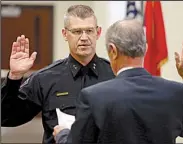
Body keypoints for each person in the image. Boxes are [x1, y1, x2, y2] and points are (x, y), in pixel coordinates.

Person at [53, 19, 183, 144]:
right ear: (145, 49)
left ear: (112, 51)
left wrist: (62, 134)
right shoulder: (174, 92)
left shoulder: (93, 97)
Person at [1, 5, 115, 143]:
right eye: (77, 31)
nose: (84, 37)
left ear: (98, 32)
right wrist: (14, 77)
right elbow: (6, 117)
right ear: (65, 34)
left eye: (89, 30)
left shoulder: (115, 75)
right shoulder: (45, 78)